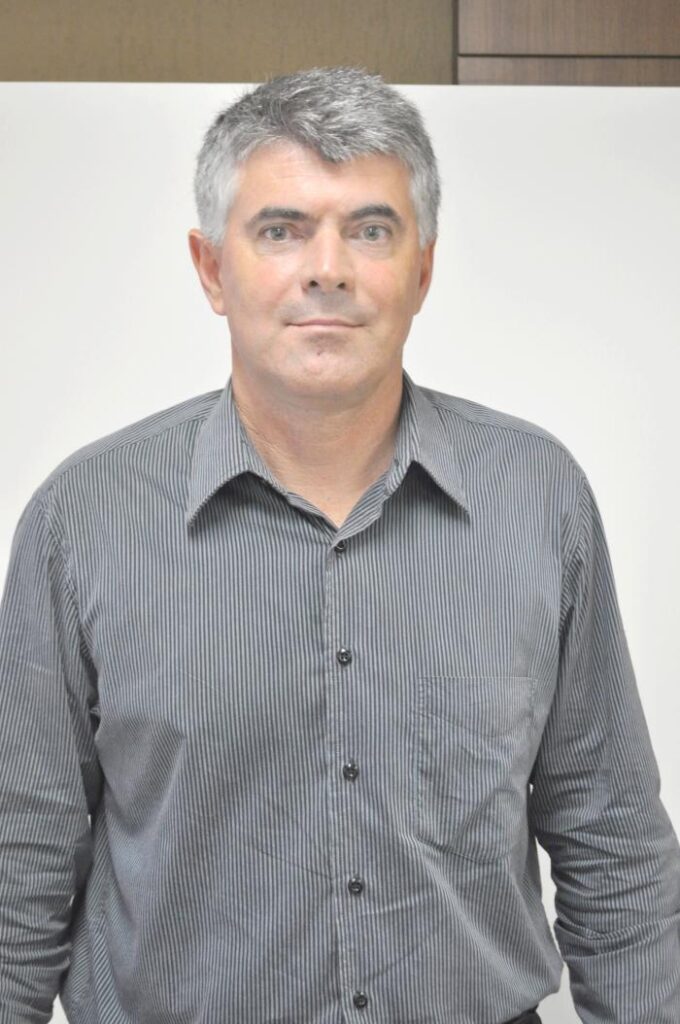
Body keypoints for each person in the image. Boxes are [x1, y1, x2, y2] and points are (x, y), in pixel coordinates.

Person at [0, 65, 678, 1024]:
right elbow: (19, 860)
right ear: (211, 269)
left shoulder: (539, 499)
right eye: (281, 230)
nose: (328, 268)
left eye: (370, 230)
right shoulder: (84, 521)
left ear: (423, 271)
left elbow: (612, 844)